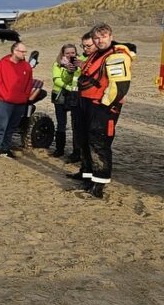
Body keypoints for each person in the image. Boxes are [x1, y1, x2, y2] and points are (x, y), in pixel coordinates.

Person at [68, 23, 136, 199]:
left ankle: (99, 183)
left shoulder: (117, 56)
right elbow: (89, 72)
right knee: (84, 139)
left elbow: (119, 86)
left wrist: (104, 106)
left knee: (99, 143)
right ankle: (88, 176)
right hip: (86, 102)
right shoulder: (97, 54)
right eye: (96, 38)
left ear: (110, 37)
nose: (100, 40)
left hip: (102, 106)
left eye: (103, 37)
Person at [0, 42, 34, 158]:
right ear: (15, 51)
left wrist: (25, 96)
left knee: (12, 126)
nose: (24, 54)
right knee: (1, 125)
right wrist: (5, 95)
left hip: (19, 102)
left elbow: (29, 83)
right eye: (22, 51)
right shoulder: (2, 64)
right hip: (4, 101)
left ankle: (5, 148)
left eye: (25, 52)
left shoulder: (27, 67)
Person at [65, 33, 95, 164]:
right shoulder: (80, 58)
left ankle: (88, 160)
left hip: (90, 98)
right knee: (76, 127)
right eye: (83, 46)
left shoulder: (97, 59)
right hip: (75, 96)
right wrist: (69, 71)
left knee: (90, 130)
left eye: (88, 46)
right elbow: (69, 79)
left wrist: (85, 67)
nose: (85, 49)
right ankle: (77, 153)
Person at [50, 43, 80, 158]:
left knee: (75, 125)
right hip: (60, 96)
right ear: (63, 53)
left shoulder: (79, 64)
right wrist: (69, 87)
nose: (70, 55)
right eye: (67, 53)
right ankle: (59, 150)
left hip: (74, 96)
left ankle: (76, 151)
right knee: (61, 124)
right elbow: (56, 80)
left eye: (72, 53)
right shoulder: (57, 64)